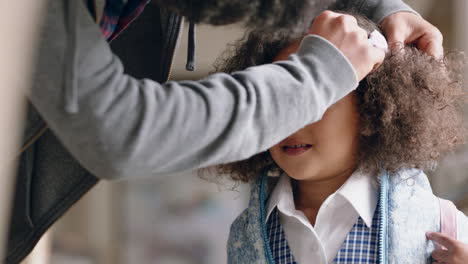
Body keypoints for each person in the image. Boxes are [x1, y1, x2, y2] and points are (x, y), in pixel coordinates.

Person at [6, 0, 444, 263]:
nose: (293, 119)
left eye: (323, 102)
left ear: (371, 112)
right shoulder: (249, 234)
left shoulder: (433, 221)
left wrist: (381, 11)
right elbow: (116, 129)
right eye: (285, 99)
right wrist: (316, 78)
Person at [214, 11, 468, 264]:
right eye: (275, 100)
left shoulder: (444, 229)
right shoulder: (244, 236)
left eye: (318, 99)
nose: (290, 119)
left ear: (371, 105)